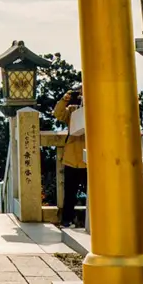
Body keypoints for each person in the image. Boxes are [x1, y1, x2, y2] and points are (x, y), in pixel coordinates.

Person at [53, 85, 87, 228]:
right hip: (72, 158)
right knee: (70, 193)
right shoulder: (73, 110)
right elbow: (58, 113)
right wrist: (64, 99)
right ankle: (67, 220)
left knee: (94, 194)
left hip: (90, 159)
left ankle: (93, 221)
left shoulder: (99, 110)